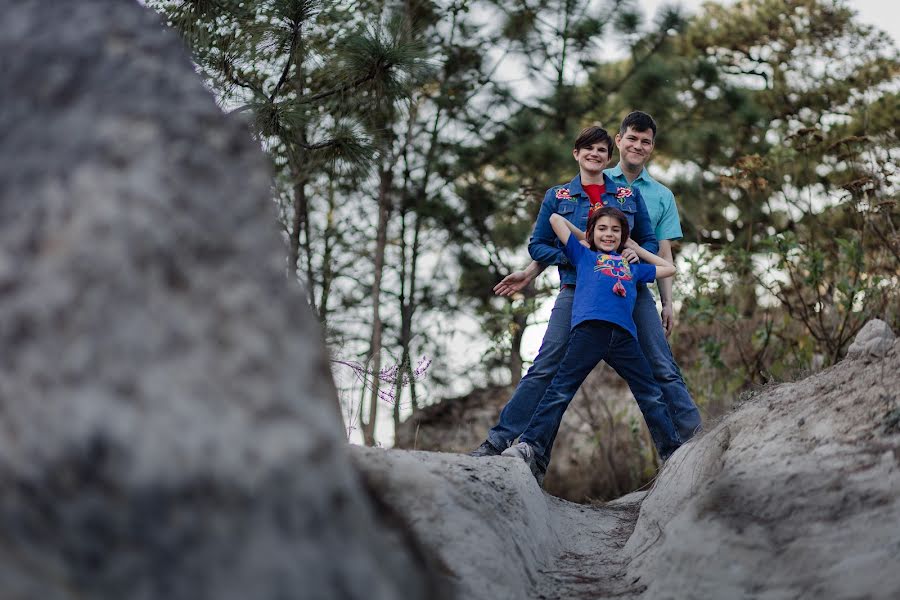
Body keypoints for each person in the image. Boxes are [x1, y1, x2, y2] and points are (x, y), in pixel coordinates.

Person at [469, 125, 660, 482]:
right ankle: (500, 442)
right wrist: (575, 255)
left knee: (652, 372)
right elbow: (537, 244)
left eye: (602, 151)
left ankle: (677, 453)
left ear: (609, 156)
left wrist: (634, 254)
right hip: (576, 290)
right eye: (588, 149)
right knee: (547, 365)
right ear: (576, 153)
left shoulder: (626, 194)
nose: (595, 155)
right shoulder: (558, 196)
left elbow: (646, 238)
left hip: (622, 290)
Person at [501, 207, 682, 480]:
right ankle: (530, 445)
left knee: (651, 394)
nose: (609, 234)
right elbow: (555, 219)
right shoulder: (583, 255)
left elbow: (669, 268)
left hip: (624, 338)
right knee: (560, 390)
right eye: (602, 229)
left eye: (615, 230)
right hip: (588, 332)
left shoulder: (631, 266)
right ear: (592, 233)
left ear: (623, 236)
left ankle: (673, 453)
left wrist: (634, 247)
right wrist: (583, 236)